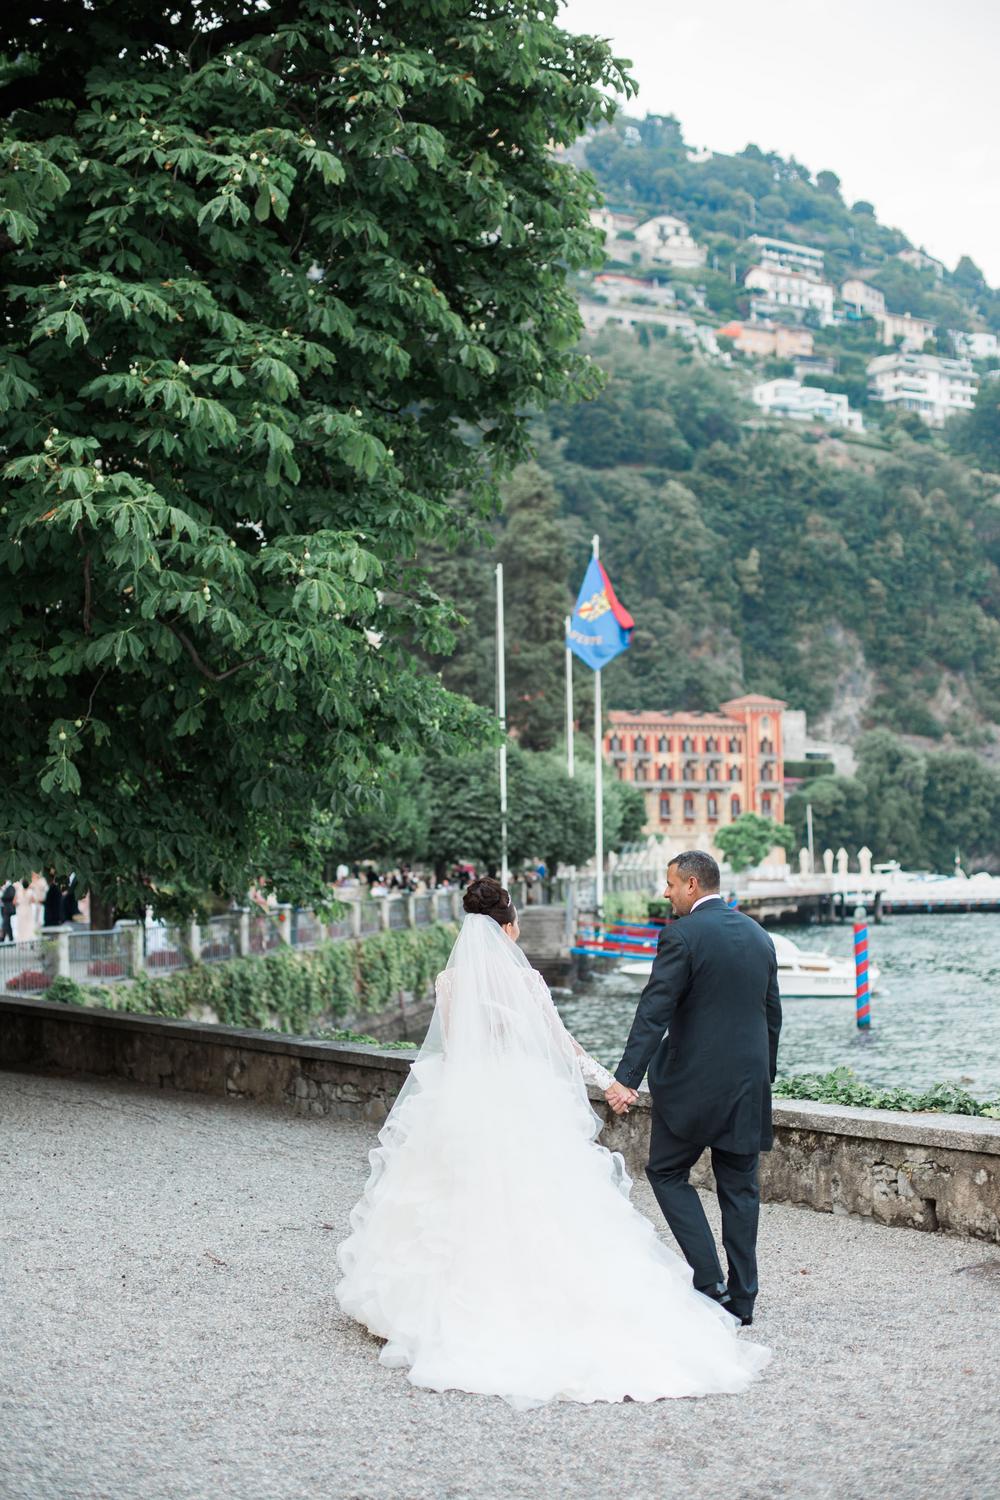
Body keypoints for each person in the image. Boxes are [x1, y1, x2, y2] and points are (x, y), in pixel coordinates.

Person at [335, 875, 769, 1408]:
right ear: (509, 926)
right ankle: (721, 1294)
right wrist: (609, 1081)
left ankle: (443, 1302)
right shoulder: (527, 983)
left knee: (452, 1194)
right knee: (543, 1198)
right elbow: (559, 1042)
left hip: (466, 1097)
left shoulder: (449, 981)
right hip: (525, 1096)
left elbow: (455, 1049)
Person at [607, 850, 782, 1327]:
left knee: (665, 1172)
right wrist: (762, 1081)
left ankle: (709, 1284)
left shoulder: (680, 935)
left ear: (690, 885)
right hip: (747, 1087)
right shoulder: (759, 935)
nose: (665, 894)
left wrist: (626, 1079)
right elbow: (771, 1018)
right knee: (741, 1191)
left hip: (690, 1087)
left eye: (669, 884)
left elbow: (654, 1012)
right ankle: (743, 1301)